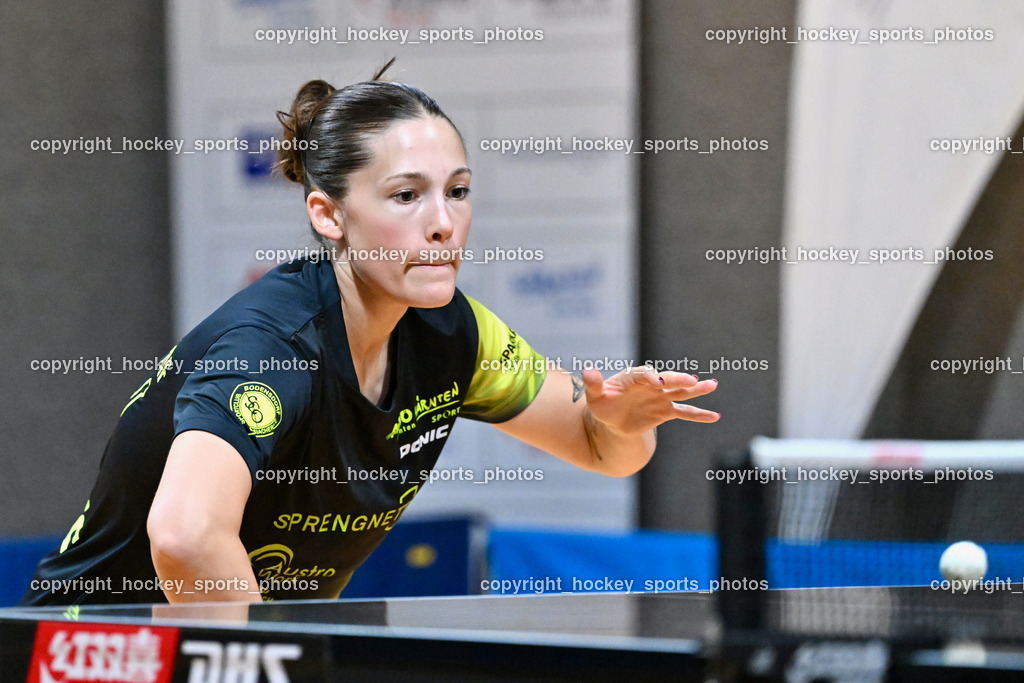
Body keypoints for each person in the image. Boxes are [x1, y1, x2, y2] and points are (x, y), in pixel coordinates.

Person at [21, 60, 719, 606]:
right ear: (328, 215)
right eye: (406, 195)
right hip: (86, 652)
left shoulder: (457, 335)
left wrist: (624, 424)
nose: (443, 223)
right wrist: (274, 665)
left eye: (458, 190)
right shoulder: (271, 347)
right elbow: (185, 536)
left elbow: (600, 447)